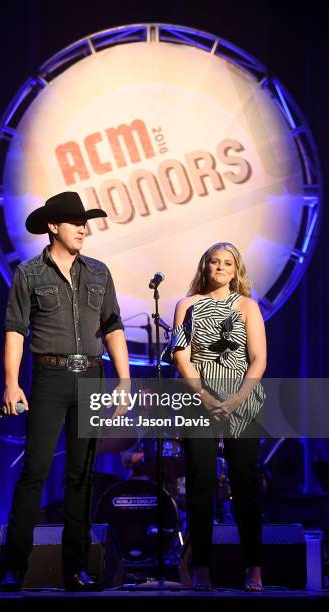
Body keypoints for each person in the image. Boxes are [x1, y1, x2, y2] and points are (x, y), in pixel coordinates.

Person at [0, 191, 130, 592]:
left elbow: (113, 326)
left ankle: (76, 569)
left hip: (92, 376)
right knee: (35, 472)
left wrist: (123, 381)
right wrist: (11, 382)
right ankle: (13, 569)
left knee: (82, 475)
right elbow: (15, 330)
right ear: (53, 227)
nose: (83, 228)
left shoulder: (99, 272)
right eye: (75, 222)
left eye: (85, 222)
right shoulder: (30, 273)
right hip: (50, 377)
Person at [165, 242, 267, 592]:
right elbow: (181, 357)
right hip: (198, 400)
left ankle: (254, 567)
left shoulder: (248, 306)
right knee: (200, 482)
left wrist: (237, 398)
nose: (220, 267)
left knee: (245, 483)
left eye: (227, 263)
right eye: (214, 262)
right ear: (204, 267)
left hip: (243, 400)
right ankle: (201, 566)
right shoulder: (186, 305)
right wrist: (206, 397)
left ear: (236, 270)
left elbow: (258, 360)